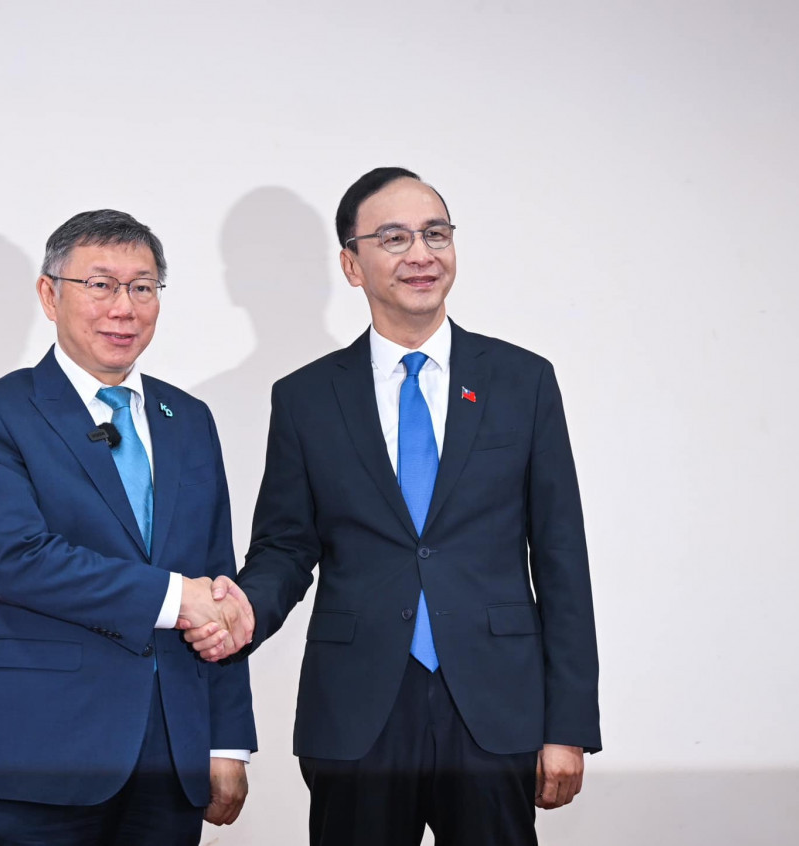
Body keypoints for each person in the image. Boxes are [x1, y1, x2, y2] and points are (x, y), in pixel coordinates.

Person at [185, 168, 600, 845]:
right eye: (394, 238)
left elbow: (561, 559)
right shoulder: (306, 398)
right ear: (352, 264)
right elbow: (287, 546)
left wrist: (569, 724)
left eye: (436, 234)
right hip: (357, 711)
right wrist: (243, 611)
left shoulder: (522, 381)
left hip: (495, 707)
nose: (421, 254)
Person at [0, 209, 257, 845]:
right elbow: (20, 560)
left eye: (142, 287)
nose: (123, 308)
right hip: (41, 745)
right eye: (100, 285)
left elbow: (219, 582)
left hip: (172, 747)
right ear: (49, 294)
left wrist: (226, 739)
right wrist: (176, 597)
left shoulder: (188, 418)